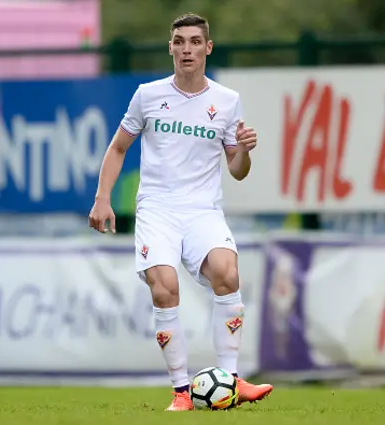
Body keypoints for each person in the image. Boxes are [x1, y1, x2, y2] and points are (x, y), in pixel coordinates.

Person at [88, 13, 273, 411]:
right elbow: (119, 146)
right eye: (179, 41)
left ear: (208, 48)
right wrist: (103, 197)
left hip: (203, 210)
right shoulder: (148, 94)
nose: (186, 48)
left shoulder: (226, 101)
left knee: (227, 272)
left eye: (194, 41)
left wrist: (243, 150)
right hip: (157, 208)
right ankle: (182, 392)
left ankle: (231, 381)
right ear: (170, 47)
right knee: (164, 285)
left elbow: (237, 171)